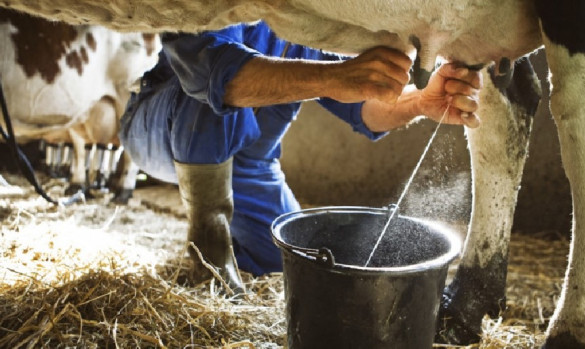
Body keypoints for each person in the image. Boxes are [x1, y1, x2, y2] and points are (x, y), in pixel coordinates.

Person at [119, 21, 482, 292]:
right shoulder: (225, 11)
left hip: (250, 166)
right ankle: (208, 249)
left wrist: (419, 101)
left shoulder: (310, 22)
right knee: (213, 91)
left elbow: (366, 109)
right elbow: (212, 73)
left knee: (289, 260)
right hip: (159, 127)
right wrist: (335, 77)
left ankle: (238, 246)